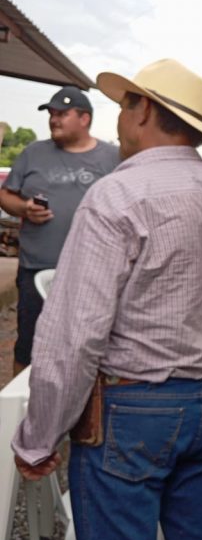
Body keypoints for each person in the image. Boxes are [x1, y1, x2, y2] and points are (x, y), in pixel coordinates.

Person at [12, 58, 202, 540]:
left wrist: (38, 438)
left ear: (146, 110)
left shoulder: (116, 196)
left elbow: (72, 337)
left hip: (130, 409)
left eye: (125, 105)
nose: (118, 122)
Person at [0, 86, 120, 374]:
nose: (54, 119)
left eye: (62, 114)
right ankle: (24, 409)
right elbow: (5, 195)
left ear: (84, 119)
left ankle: (79, 414)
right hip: (36, 269)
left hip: (92, 273)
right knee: (29, 344)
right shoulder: (33, 153)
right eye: (51, 114)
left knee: (85, 348)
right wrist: (24, 208)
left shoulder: (114, 158)